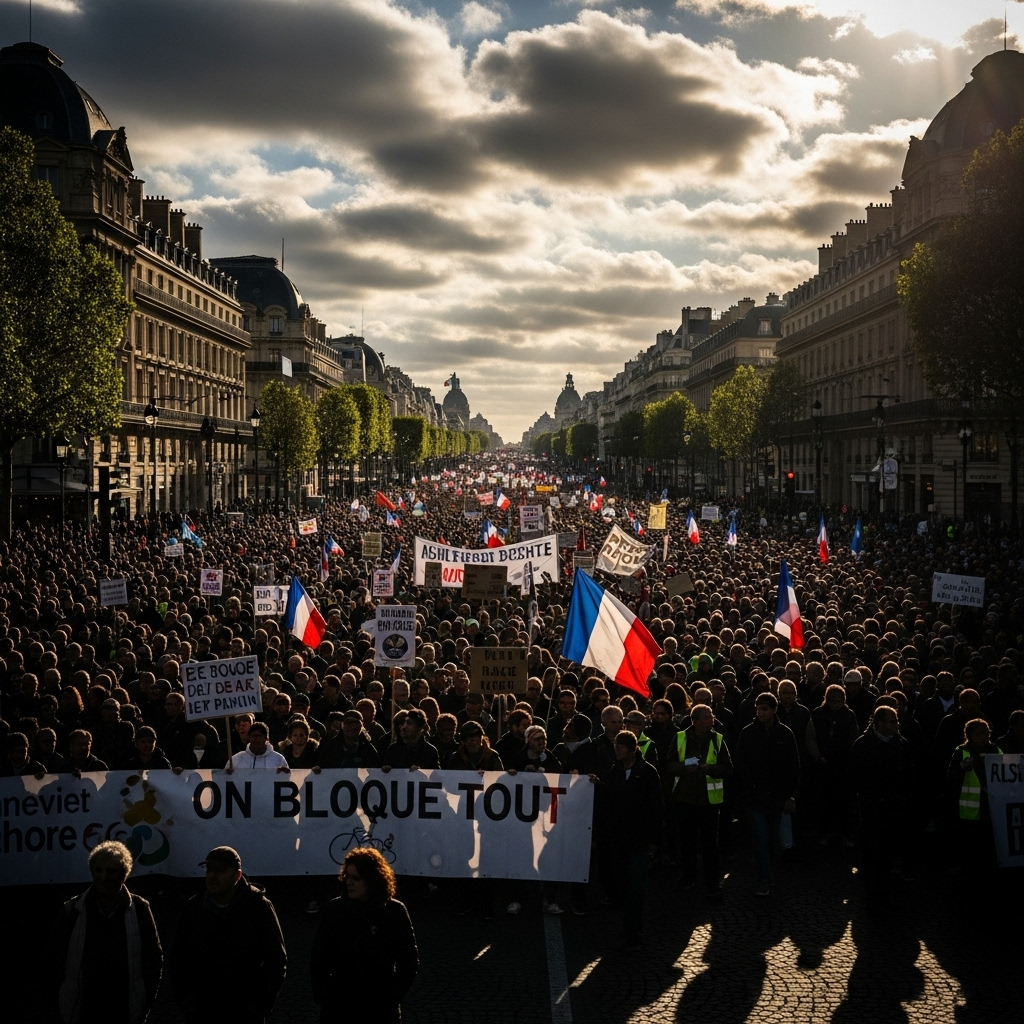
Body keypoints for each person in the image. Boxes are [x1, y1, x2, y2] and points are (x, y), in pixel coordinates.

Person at [171, 846, 287, 1024]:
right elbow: (178, 958)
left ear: (238, 875)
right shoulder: (192, 909)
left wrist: (261, 1005)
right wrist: (186, 1000)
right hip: (202, 1010)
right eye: (209, 869)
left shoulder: (259, 907)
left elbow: (276, 959)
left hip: (245, 1011)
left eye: (220, 870)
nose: (212, 876)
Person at [52, 840, 163, 1024]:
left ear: (123, 874)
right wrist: (61, 1005)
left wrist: (145, 1002)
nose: (104, 877)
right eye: (99, 870)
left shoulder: (140, 909)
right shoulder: (72, 910)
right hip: (83, 1009)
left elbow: (153, 959)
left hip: (124, 1008)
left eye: (111, 871)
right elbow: (54, 961)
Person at [310, 847, 419, 1024]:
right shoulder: (334, 910)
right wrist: (322, 993)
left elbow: (409, 961)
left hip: (379, 1008)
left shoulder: (394, 912)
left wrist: (391, 998)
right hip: (339, 1006)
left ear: (372, 880)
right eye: (347, 877)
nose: (349, 883)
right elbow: (319, 956)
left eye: (356, 878)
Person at [589, 731, 663, 949]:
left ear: (632, 749)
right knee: (623, 886)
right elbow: (609, 795)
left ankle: (634, 931)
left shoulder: (648, 772)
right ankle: (627, 928)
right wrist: (597, 784)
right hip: (619, 840)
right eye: (615, 747)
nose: (616, 751)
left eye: (620, 747)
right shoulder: (616, 771)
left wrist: (654, 841)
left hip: (638, 840)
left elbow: (656, 808)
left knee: (636, 888)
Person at [848, 705, 915, 914]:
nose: (896, 725)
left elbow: (909, 774)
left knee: (887, 854)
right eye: (892, 721)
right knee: (872, 853)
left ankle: (884, 895)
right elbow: (854, 777)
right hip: (871, 807)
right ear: (879, 723)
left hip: (894, 808)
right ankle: (872, 896)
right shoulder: (863, 744)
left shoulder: (901, 744)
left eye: (896, 721)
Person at [734, 692, 800, 897]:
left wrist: (790, 796)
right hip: (755, 797)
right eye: (758, 709)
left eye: (764, 709)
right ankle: (764, 878)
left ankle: (769, 874)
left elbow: (793, 767)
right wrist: (744, 792)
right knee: (761, 837)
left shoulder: (785, 734)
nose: (760, 712)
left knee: (772, 838)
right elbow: (740, 765)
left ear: (773, 710)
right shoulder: (748, 733)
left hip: (776, 797)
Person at [665, 703, 732, 896]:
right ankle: (689, 877)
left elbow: (728, 768)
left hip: (709, 801)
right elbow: (668, 765)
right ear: (696, 721)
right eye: (709, 716)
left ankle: (712, 882)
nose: (713, 719)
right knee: (687, 842)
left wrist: (708, 769)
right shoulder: (679, 738)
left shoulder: (718, 739)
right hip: (685, 799)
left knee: (711, 844)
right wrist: (684, 769)